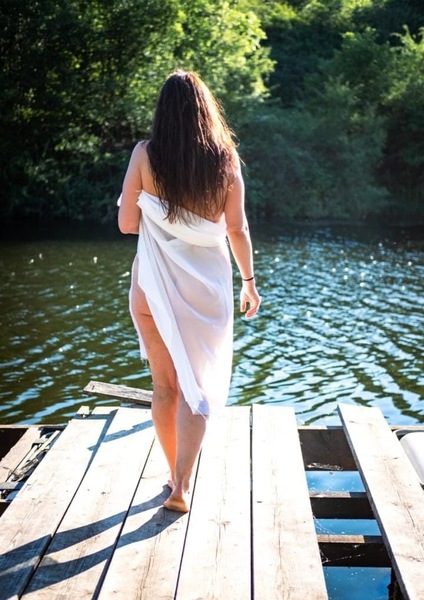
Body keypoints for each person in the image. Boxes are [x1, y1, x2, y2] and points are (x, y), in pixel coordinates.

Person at [118, 69, 261, 512]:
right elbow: (237, 229)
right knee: (197, 389)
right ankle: (181, 485)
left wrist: (155, 212)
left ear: (162, 111)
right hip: (205, 292)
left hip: (152, 288)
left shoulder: (144, 154)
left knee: (166, 388)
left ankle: (172, 475)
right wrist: (249, 282)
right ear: (206, 110)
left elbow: (126, 224)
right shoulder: (225, 160)